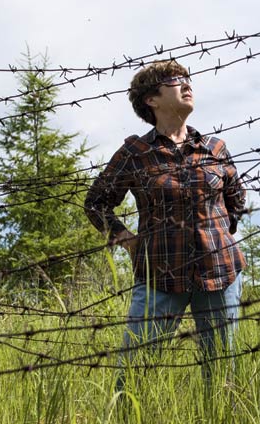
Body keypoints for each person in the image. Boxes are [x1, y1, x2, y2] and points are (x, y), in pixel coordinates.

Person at [84, 60, 247, 387]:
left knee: (220, 377)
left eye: (188, 79)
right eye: (175, 80)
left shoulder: (214, 149)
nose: (187, 85)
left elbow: (236, 200)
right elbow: (96, 203)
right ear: (151, 100)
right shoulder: (136, 152)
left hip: (220, 273)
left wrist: (216, 238)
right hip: (160, 276)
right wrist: (127, 239)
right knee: (133, 377)